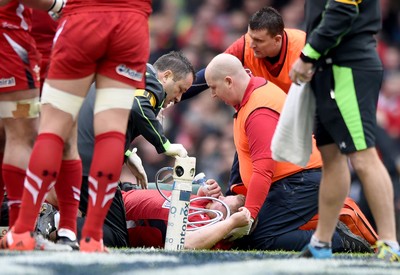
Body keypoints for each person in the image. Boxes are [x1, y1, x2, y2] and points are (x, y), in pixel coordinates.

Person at [0, 0, 152, 253]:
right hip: (130, 22)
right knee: (111, 132)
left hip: (77, 23)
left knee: (49, 132)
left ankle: (26, 231)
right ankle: (92, 237)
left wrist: (58, 5)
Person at [204, 53, 372, 253]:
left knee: (261, 238)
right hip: (295, 179)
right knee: (246, 238)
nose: (213, 95)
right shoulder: (252, 96)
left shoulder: (258, 110)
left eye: (213, 88)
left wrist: (249, 214)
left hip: (300, 181)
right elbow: (244, 156)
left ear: (229, 81)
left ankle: (337, 238)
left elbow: (264, 169)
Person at [289, 0, 400, 261]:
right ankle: (321, 243)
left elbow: (343, 8)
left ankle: (390, 242)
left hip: (348, 66)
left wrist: (308, 55)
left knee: (362, 155)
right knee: (332, 158)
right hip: (329, 68)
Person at [182, 7, 306, 194]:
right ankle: (234, 199)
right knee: (244, 149)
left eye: (259, 41)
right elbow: (212, 72)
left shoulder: (302, 48)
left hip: (300, 118)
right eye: (250, 38)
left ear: (277, 39)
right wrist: (176, 93)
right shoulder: (246, 44)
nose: (252, 44)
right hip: (265, 115)